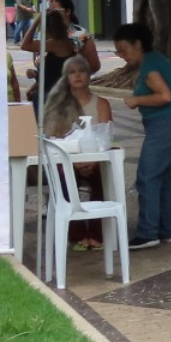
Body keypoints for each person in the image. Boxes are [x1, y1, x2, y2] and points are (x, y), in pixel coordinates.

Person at [115, 21, 171, 249]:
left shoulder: (150, 65)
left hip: (165, 123)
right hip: (168, 123)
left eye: (124, 49)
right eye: (118, 51)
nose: (122, 55)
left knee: (147, 176)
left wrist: (137, 100)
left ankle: (148, 232)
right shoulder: (153, 60)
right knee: (162, 177)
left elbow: (164, 96)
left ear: (138, 44)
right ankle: (166, 230)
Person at [42, 55, 115, 251]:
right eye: (72, 72)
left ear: (89, 75)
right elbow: (54, 139)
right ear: (66, 77)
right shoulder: (57, 105)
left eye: (81, 71)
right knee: (64, 180)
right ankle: (77, 235)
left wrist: (92, 161)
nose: (77, 76)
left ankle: (97, 234)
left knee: (102, 181)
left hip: (95, 159)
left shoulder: (101, 103)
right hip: (67, 161)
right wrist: (74, 162)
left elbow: (105, 137)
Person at [22, 10, 77, 108]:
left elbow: (25, 45)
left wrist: (36, 21)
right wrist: (36, 78)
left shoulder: (55, 43)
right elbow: (54, 72)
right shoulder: (67, 42)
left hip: (52, 97)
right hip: (54, 93)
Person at [49, 0, 100, 73]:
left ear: (68, 11)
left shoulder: (80, 34)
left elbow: (95, 66)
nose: (52, 15)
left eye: (56, 11)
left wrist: (76, 75)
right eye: (50, 11)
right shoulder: (47, 33)